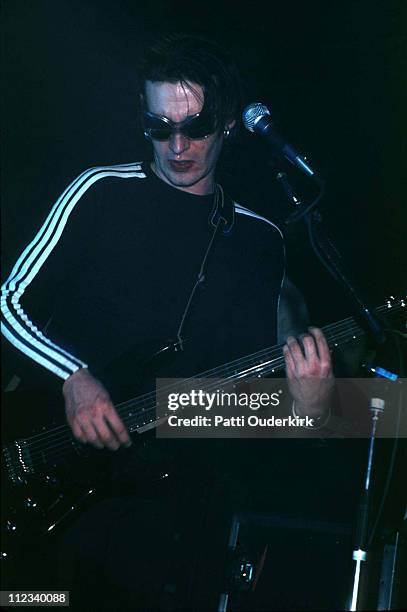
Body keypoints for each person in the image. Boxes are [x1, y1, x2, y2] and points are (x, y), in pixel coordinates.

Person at [1, 33, 335, 608]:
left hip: (165, 521)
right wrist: (73, 379)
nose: (176, 145)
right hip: (43, 473)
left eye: (196, 127)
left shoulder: (261, 240)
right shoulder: (101, 191)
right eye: (159, 127)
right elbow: (8, 303)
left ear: (228, 122)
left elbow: (229, 411)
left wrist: (306, 411)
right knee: (34, 601)